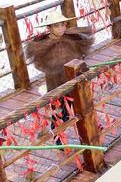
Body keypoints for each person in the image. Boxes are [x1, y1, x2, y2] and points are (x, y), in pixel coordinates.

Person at [25, 11, 94, 144]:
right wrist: (55, 67)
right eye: (56, 26)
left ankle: (89, 132)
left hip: (74, 79)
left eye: (62, 25)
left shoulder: (70, 38)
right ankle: (58, 139)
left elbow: (79, 54)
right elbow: (41, 64)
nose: (61, 29)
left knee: (83, 106)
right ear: (49, 28)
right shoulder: (43, 45)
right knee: (61, 113)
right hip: (57, 83)